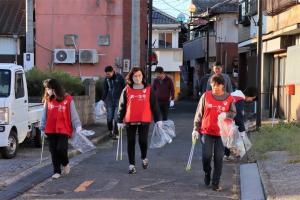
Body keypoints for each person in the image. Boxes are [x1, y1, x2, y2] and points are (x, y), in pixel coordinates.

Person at [192, 74, 236, 191]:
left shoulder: (229, 98)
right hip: (207, 131)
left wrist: (226, 114)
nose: (215, 87)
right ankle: (207, 172)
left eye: (217, 85)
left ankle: (215, 183)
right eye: (213, 85)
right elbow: (199, 113)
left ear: (223, 85)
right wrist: (195, 128)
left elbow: (233, 112)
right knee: (206, 156)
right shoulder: (206, 96)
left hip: (222, 133)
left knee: (218, 157)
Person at [117, 67, 162, 174]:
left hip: (144, 119)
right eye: (135, 76)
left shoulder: (149, 89)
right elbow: (121, 106)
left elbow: (154, 105)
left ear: (143, 76)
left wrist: (158, 119)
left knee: (142, 140)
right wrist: (119, 120)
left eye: (140, 75)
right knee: (131, 142)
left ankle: (144, 157)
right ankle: (131, 165)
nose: (138, 78)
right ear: (131, 77)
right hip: (130, 119)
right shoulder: (127, 89)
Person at [40, 78, 82, 179]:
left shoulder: (68, 98)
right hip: (50, 128)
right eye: (46, 89)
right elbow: (44, 114)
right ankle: (56, 171)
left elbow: (73, 113)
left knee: (61, 149)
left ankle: (65, 163)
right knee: (53, 150)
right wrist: (42, 128)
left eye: (48, 88)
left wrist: (78, 125)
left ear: (54, 88)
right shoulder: (48, 99)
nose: (47, 90)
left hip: (64, 128)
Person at [224, 87, 257, 160]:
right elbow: (238, 116)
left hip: (222, 117)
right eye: (252, 98)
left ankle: (226, 154)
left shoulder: (234, 95)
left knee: (229, 136)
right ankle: (226, 155)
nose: (251, 100)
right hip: (226, 119)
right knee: (233, 135)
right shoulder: (239, 100)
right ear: (248, 95)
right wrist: (242, 131)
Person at [102, 65, 125, 139]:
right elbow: (105, 90)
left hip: (118, 100)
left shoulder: (120, 77)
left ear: (113, 72)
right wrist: (102, 100)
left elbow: (124, 88)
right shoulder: (106, 79)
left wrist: (124, 99)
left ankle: (116, 134)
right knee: (109, 117)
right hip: (109, 101)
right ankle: (110, 131)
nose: (107, 75)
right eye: (106, 74)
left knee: (116, 117)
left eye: (108, 74)